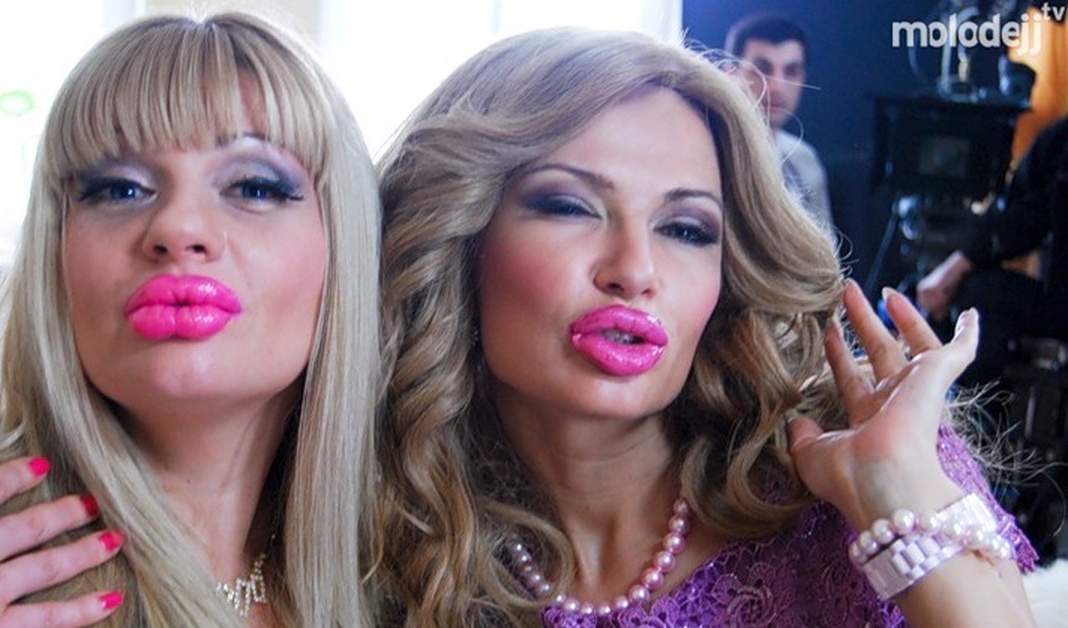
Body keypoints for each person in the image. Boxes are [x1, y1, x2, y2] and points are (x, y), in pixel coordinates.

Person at [374, 27, 1036, 627]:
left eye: (686, 229)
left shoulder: (863, 470)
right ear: (458, 238)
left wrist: (897, 489)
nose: (635, 271)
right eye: (570, 206)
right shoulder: (389, 523)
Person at [0, 11, 381, 627]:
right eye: (120, 189)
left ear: (342, 247)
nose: (177, 228)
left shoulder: (410, 575)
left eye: (253, 186)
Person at [917, 115, 1068, 384]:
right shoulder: (1060, 140)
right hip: (1060, 304)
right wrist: (961, 262)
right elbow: (1015, 215)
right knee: (976, 295)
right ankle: (974, 405)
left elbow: (1044, 210)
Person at [725, 12, 834, 233]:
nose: (777, 86)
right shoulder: (706, 155)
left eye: (791, 71)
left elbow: (825, 252)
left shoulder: (804, 160)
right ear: (730, 75)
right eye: (761, 69)